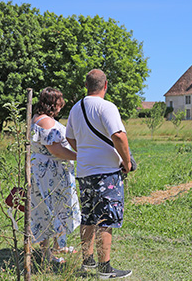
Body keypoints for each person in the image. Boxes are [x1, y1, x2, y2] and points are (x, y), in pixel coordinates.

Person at [66, 69, 133, 279]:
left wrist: (86, 150)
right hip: (107, 172)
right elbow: (119, 136)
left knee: (88, 216)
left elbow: (70, 138)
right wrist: (127, 161)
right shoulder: (107, 107)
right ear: (106, 85)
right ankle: (105, 268)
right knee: (107, 217)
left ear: (87, 85)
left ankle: (87, 261)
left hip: (84, 171)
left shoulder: (76, 108)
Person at [29, 87, 81, 264]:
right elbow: (56, 150)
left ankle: (59, 245)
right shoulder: (46, 123)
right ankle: (46, 254)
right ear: (53, 104)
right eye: (59, 103)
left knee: (56, 207)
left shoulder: (39, 119)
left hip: (48, 170)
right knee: (48, 209)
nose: (61, 107)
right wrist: (79, 156)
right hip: (49, 172)